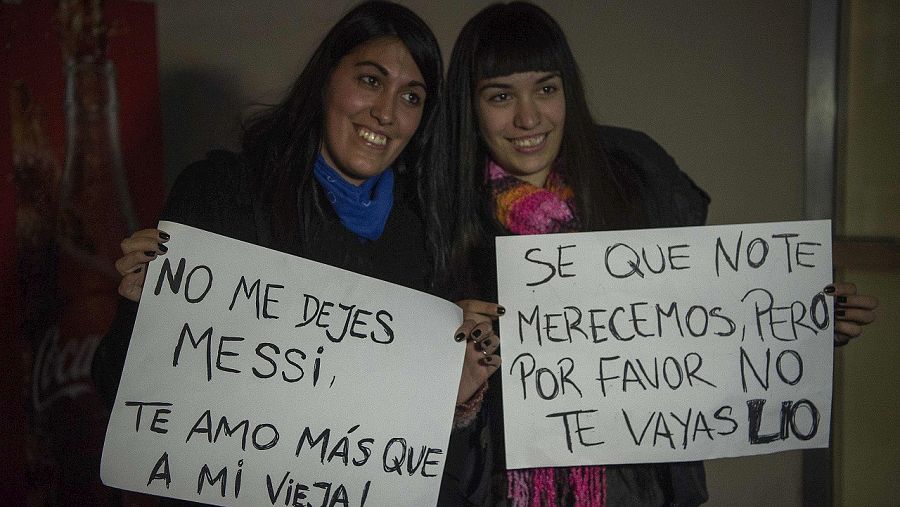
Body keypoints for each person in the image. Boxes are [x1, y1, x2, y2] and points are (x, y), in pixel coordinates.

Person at [442, 2, 879, 506]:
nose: (528, 117)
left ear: (568, 92)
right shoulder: (440, 222)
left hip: (641, 489)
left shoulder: (637, 187)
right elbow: (413, 412)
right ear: (470, 107)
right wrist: (457, 372)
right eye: (501, 96)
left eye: (546, 89)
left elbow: (704, 321)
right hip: (498, 490)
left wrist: (802, 322)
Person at [91, 2, 498, 505]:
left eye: (411, 96)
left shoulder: (432, 235)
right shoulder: (222, 193)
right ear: (326, 77)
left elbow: (425, 461)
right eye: (370, 81)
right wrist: (139, 310)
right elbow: (119, 389)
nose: (387, 113)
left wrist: (451, 395)